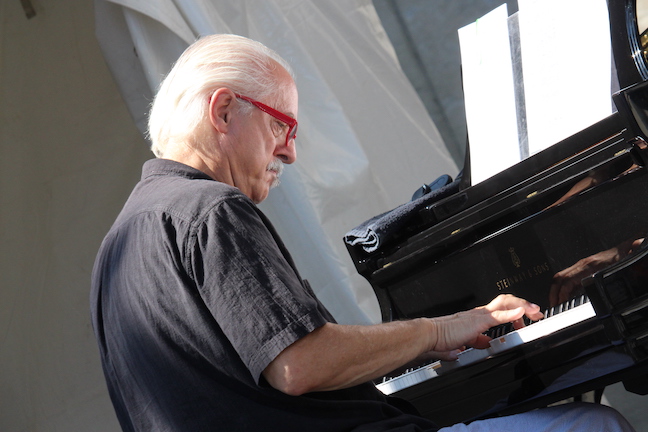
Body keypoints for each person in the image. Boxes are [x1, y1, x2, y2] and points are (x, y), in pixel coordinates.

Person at [90, 34, 636, 432]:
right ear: (225, 110)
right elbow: (298, 365)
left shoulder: (118, 248)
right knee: (591, 425)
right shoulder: (211, 210)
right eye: (282, 125)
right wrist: (438, 330)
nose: (291, 151)